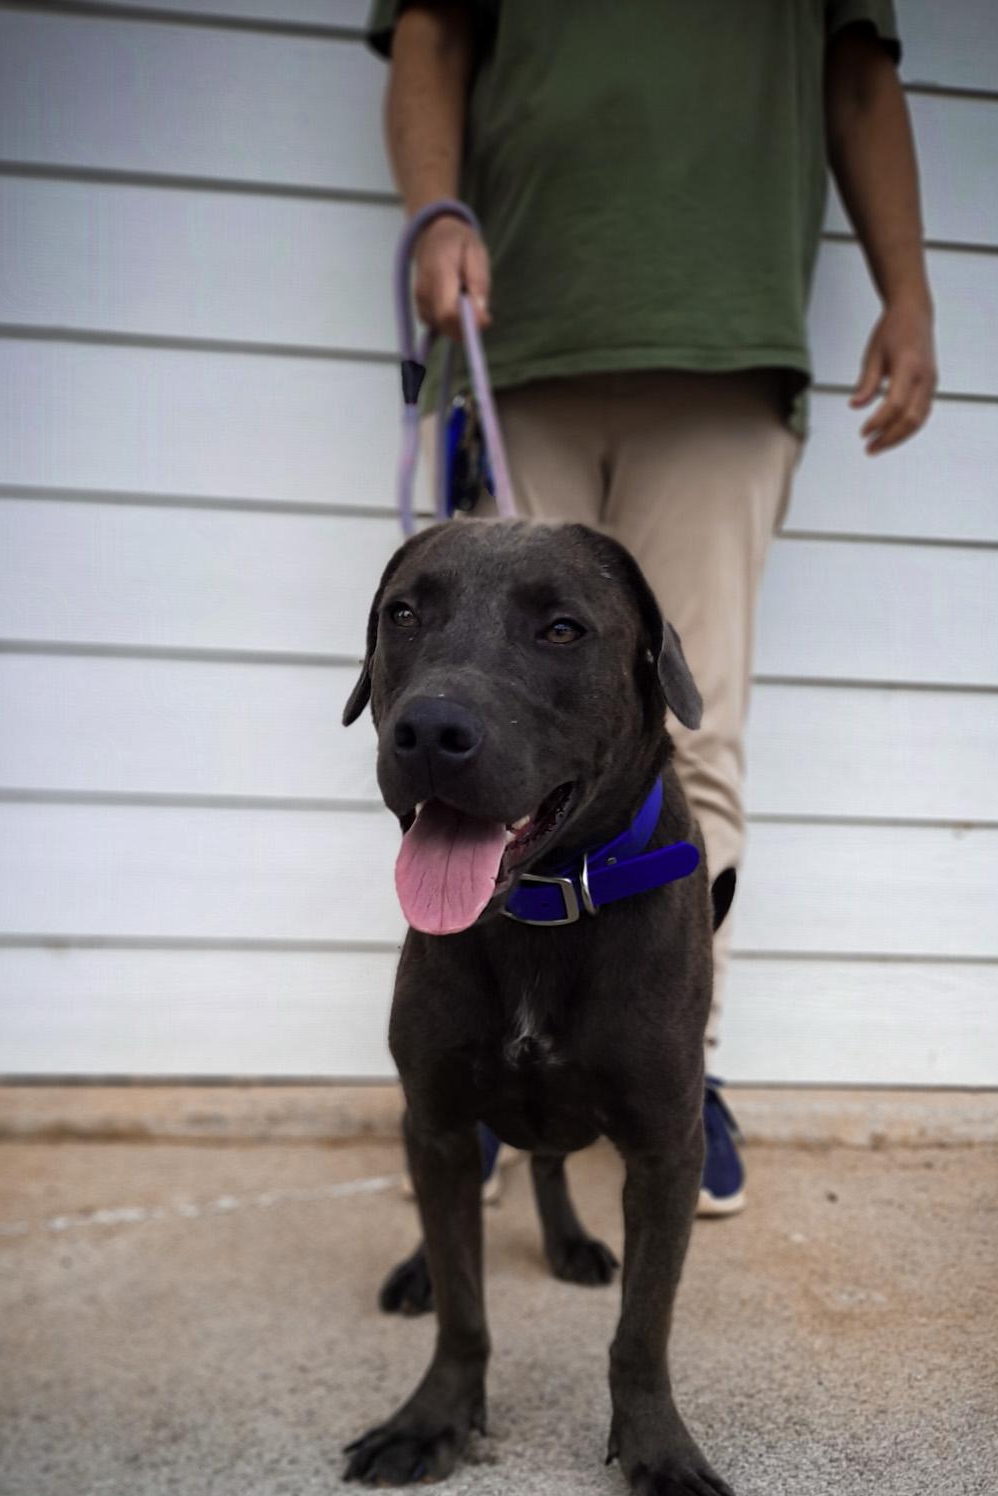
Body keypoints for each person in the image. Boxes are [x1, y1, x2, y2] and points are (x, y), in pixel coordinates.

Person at [367, 0, 937, 1214]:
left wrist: (910, 291)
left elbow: (857, 78)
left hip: (721, 349)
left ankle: (674, 1064)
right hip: (520, 334)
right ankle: (480, 1067)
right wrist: (434, 208)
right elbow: (434, 33)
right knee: (471, 714)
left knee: (688, 729)